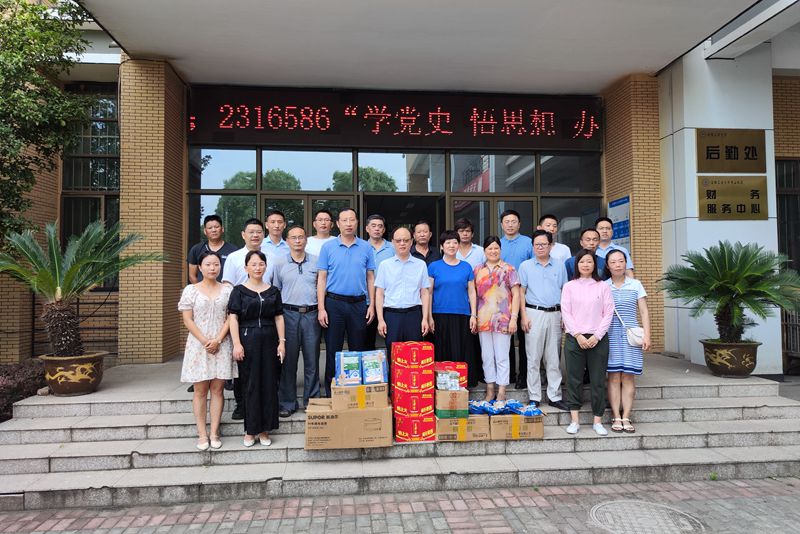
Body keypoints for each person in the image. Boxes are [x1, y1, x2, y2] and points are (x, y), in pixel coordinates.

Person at [178, 251, 236, 450]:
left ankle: (214, 432)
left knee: (218, 390)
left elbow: (231, 317)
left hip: (222, 343)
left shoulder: (228, 290)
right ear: (200, 267)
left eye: (216, 264)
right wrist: (205, 341)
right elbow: (187, 319)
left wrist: (218, 340)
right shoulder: (190, 290)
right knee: (200, 391)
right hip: (198, 345)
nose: (212, 268)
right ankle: (202, 434)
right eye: (208, 264)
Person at [228, 250, 285, 447]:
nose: (257, 268)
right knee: (250, 385)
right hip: (247, 339)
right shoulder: (239, 291)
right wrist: (236, 343)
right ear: (246, 268)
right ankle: (250, 430)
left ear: (265, 267)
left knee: (269, 383)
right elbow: (233, 318)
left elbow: (279, 317)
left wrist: (282, 342)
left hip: (269, 339)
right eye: (253, 264)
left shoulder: (273, 291)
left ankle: (265, 430)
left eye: (261, 264)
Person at [317, 208, 376, 395]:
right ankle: (331, 392)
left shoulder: (366, 247)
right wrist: (321, 308)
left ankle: (356, 391)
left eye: (352, 220)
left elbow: (370, 277)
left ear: (357, 223)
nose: (348, 224)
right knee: (333, 349)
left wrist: (372, 305)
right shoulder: (328, 247)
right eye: (344, 220)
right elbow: (322, 278)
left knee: (358, 348)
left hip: (359, 304)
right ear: (338, 224)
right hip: (333, 304)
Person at [560, 249, 615, 436]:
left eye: (589, 261)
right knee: (573, 379)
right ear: (577, 264)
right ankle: (574, 420)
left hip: (598, 339)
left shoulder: (603, 286)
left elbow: (608, 312)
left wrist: (597, 336)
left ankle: (597, 420)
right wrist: (578, 335)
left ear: (594, 265)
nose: (585, 265)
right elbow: (566, 312)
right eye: (582, 261)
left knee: (598, 380)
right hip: (575, 338)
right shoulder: (569, 286)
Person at [221, 218, 270, 419]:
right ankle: (241, 404)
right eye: (251, 232)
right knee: (242, 362)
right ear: (243, 235)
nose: (255, 235)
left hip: (265, 315)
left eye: (259, 232)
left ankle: (265, 403)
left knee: (266, 364)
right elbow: (227, 286)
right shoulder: (234, 258)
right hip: (241, 316)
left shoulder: (270, 257)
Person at [272, 226, 321, 418]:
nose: (298, 241)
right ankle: (287, 402)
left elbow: (321, 287)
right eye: (293, 237)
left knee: (312, 359)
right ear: (287, 241)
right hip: (288, 314)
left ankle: (312, 400)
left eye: (301, 237)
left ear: (306, 240)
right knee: (288, 360)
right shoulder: (279, 262)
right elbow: (276, 290)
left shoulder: (316, 261)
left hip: (311, 314)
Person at [518, 230, 569, 411]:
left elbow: (564, 291)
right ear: (533, 247)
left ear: (550, 246)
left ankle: (555, 396)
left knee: (553, 357)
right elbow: (521, 292)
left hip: (555, 313)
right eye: (537, 245)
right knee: (533, 357)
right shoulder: (525, 266)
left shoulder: (559, 266)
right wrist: (523, 316)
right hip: (534, 313)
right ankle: (534, 396)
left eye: (544, 244)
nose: (540, 247)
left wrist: (565, 315)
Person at [604, 249, 651, 433]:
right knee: (614, 376)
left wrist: (647, 335)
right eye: (613, 262)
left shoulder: (636, 284)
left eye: (621, 261)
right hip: (610, 336)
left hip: (631, 336)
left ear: (626, 263)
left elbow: (644, 311)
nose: (617, 265)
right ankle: (616, 416)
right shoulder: (603, 286)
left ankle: (626, 416)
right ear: (607, 266)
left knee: (628, 376)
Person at [428, 230, 480, 386]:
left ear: (458, 245)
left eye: (455, 242)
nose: (452, 245)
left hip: (462, 314)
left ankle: (462, 384)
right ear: (442, 246)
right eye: (448, 242)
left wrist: (473, 315)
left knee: (461, 349)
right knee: (442, 350)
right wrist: (429, 316)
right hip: (439, 314)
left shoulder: (466, 267)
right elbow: (428, 293)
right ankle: (442, 386)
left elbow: (472, 292)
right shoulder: (434, 266)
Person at [474, 236, 520, 402]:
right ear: (484, 251)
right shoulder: (478, 270)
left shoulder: (509, 269)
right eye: (490, 248)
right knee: (487, 356)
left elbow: (516, 295)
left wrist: (514, 318)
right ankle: (490, 389)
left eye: (496, 248)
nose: (493, 251)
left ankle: (501, 391)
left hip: (503, 319)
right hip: (483, 320)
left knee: (502, 356)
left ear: (500, 249)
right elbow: (474, 295)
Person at [375, 227, 430, 359]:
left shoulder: (421, 265)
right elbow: (379, 294)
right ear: (393, 242)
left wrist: (425, 318)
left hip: (414, 315)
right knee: (394, 355)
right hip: (392, 316)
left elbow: (424, 293)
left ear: (411, 242)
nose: (402, 243)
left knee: (414, 355)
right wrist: (380, 320)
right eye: (398, 240)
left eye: (405, 240)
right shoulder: (385, 265)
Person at [499, 209, 532, 389]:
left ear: (519, 224)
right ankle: (509, 374)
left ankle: (523, 375)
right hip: (503, 300)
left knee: (524, 337)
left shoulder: (528, 242)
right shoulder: (498, 244)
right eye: (507, 221)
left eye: (513, 221)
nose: (510, 225)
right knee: (506, 339)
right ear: (502, 224)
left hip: (523, 296)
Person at [364, 214, 395, 350]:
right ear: (367, 228)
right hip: (366, 300)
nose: (377, 229)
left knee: (391, 339)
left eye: (380, 226)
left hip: (388, 300)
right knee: (367, 340)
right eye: (373, 226)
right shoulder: (361, 247)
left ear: (383, 230)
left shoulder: (393, 248)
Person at [187, 215, 238, 284]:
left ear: (222, 229)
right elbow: (192, 276)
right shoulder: (196, 249)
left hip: (227, 290)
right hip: (202, 290)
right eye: (210, 228)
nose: (213, 230)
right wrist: (200, 289)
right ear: (205, 231)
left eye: (216, 227)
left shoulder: (233, 250)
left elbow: (237, 275)